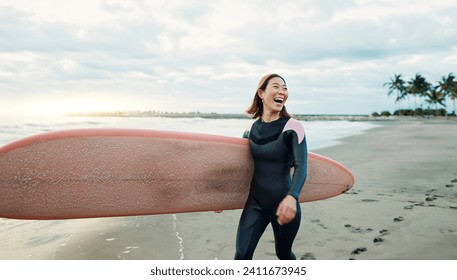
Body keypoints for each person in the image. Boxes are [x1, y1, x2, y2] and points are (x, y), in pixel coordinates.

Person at [234, 73, 308, 260]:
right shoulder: (251, 130)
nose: (282, 91)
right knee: (242, 255)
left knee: (283, 254)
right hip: (255, 204)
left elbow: (301, 166)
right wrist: (220, 197)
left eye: (285, 88)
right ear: (261, 93)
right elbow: (242, 169)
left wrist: (292, 197)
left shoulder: (293, 127)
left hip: (284, 203)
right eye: (276, 86)